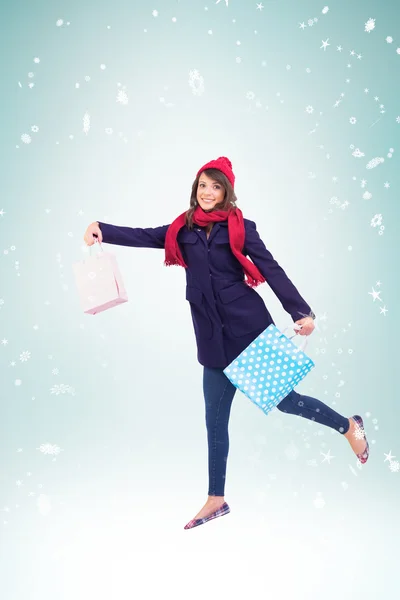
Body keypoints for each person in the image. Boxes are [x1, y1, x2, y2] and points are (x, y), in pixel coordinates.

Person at [83, 156, 369, 531]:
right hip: (211, 337)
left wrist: (302, 312)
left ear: (226, 192)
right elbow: (143, 235)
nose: (207, 193)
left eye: (215, 187)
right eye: (202, 185)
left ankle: (349, 426)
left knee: (288, 403)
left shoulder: (241, 228)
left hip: (249, 330)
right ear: (195, 189)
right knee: (214, 422)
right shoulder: (181, 229)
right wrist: (100, 228)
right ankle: (216, 499)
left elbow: (271, 269)